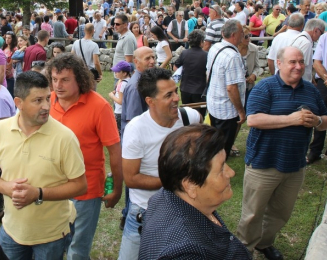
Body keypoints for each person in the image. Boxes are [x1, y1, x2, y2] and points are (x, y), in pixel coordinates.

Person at [0, 71, 87, 260]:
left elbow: (80, 185)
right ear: (18, 103)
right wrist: (5, 187)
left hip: (51, 235)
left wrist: (38, 193)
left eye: (48, 98)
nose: (46, 106)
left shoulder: (65, 137)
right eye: (38, 100)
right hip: (11, 230)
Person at [236, 47, 327, 260]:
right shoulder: (265, 87)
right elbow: (254, 119)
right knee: (252, 214)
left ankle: (264, 243)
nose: (298, 66)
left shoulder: (311, 90)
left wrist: (317, 121)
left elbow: (324, 121)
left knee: (280, 213)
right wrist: (292, 119)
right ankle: (244, 249)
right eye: (292, 62)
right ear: (279, 63)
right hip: (263, 163)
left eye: (301, 62)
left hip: (295, 165)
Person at [118, 68, 202, 260]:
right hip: (145, 213)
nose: (176, 98)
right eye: (168, 95)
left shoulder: (190, 118)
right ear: (150, 101)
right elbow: (131, 179)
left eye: (176, 91)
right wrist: (175, 182)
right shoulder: (136, 129)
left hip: (184, 210)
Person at [48, 54, 122, 259]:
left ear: (79, 79)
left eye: (64, 80)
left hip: (86, 190)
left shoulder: (99, 106)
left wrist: (116, 188)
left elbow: (114, 150)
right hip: (53, 187)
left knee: (77, 249)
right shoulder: (50, 100)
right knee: (54, 243)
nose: (58, 85)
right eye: (54, 79)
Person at [139, 124, 252, 260]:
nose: (231, 173)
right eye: (221, 168)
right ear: (190, 186)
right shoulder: (185, 254)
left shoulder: (168, 195)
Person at [206, 20, 246, 159]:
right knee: (222, 147)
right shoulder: (233, 56)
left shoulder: (215, 47)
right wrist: (241, 111)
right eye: (242, 32)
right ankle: (218, 170)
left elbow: (208, 73)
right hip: (226, 110)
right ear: (234, 35)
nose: (244, 35)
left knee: (216, 140)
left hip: (214, 103)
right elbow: (231, 88)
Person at [174, 29, 208, 116]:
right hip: (200, 90)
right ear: (201, 41)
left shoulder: (184, 53)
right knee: (199, 116)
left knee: (187, 115)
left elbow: (175, 67)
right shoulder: (206, 55)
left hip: (185, 89)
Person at [307, 32, 327, 164]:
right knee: (320, 114)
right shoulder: (325, 37)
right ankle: (315, 151)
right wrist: (326, 78)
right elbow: (317, 62)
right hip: (324, 81)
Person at [238, 26, 260, 105]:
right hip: (236, 88)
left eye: (250, 35)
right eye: (246, 36)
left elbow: (257, 66)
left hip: (249, 86)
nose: (248, 39)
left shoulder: (254, 49)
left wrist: (254, 75)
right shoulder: (233, 50)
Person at [109, 61, 132, 135]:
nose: (115, 73)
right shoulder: (129, 81)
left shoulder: (122, 84)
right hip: (127, 111)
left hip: (119, 112)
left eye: (117, 72)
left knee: (119, 132)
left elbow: (120, 101)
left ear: (124, 73)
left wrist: (112, 96)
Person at [2, 31, 17, 96]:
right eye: (6, 38)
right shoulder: (4, 47)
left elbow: (13, 61)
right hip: (3, 72)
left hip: (10, 73)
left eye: (9, 38)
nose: (7, 40)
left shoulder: (14, 49)